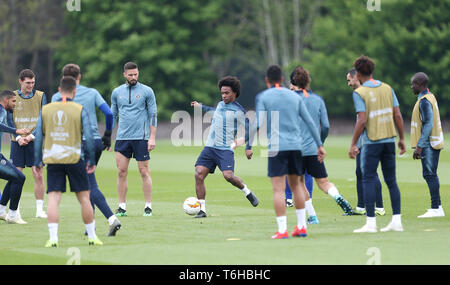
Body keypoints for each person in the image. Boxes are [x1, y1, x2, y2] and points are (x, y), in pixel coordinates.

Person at [248, 65, 326, 239]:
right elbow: (311, 123)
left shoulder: (263, 96)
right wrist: (319, 145)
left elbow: (258, 122)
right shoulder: (293, 96)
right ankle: (301, 227)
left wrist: (248, 144)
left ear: (267, 80)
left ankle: (282, 230)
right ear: (283, 80)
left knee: (278, 190)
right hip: (296, 147)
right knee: (298, 185)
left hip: (277, 148)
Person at [52, 63, 121, 236]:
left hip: (76, 144)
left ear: (63, 78)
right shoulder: (92, 92)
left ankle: (112, 219)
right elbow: (109, 114)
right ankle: (90, 224)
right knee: (87, 183)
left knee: (88, 184)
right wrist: (107, 134)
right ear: (79, 77)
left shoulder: (56, 96)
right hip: (96, 141)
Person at [34, 76, 103, 247]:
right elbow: (88, 133)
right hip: (74, 159)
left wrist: (37, 161)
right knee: (84, 198)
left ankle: (53, 238)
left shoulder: (46, 109)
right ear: (74, 91)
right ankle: (92, 237)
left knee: (53, 199)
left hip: (53, 160)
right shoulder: (79, 109)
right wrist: (91, 159)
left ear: (59, 90)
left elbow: (37, 137)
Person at [287, 66, 353, 224]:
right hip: (313, 148)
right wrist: (320, 143)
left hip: (295, 149)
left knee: (299, 183)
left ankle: (313, 217)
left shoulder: (290, 100)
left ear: (292, 82)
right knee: (323, 182)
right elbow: (326, 126)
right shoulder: (318, 100)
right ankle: (336, 196)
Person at [349, 56, 406, 233]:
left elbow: (362, 120)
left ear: (357, 73)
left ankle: (371, 223)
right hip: (390, 140)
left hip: (372, 142)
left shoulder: (360, 93)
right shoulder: (387, 88)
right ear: (372, 70)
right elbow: (397, 115)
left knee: (367, 178)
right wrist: (402, 138)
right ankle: (397, 221)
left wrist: (353, 143)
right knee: (391, 181)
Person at [191, 76, 259, 219]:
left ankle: (246, 191)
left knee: (228, 176)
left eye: (227, 93)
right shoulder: (221, 105)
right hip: (210, 147)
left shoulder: (239, 111)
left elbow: (251, 129)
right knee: (199, 174)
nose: (224, 96)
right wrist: (200, 107)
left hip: (225, 149)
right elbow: (213, 110)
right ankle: (202, 210)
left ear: (234, 93)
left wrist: (248, 147)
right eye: (222, 93)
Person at [111, 62, 157, 217]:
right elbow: (113, 115)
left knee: (144, 171)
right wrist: (108, 137)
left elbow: (153, 115)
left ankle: (148, 206)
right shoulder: (117, 92)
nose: (133, 77)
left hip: (141, 138)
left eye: (135, 74)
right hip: (122, 138)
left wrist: (152, 137)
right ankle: (122, 207)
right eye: (130, 75)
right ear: (124, 74)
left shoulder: (147, 91)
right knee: (121, 172)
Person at [8, 69, 47, 218]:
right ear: (20, 81)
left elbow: (43, 119)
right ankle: (15, 209)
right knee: (16, 175)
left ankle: (39, 210)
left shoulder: (41, 96)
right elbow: (8, 120)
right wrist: (18, 137)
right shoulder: (12, 96)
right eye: (28, 82)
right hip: (16, 140)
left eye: (33, 82)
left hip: (34, 140)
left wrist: (30, 137)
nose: (31, 85)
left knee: (38, 174)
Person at [347, 68, 385, 216]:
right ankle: (361, 206)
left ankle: (379, 207)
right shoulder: (360, 93)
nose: (349, 83)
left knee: (370, 172)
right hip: (366, 138)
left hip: (369, 139)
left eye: (349, 80)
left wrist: (356, 143)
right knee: (359, 171)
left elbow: (364, 120)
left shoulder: (364, 93)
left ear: (356, 77)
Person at [410, 72, 445, 218]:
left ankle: (435, 208)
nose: (411, 87)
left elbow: (428, 124)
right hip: (434, 141)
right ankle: (437, 207)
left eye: (413, 84)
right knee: (430, 174)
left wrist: (419, 146)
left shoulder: (424, 101)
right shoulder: (430, 97)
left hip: (429, 143)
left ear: (419, 84)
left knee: (429, 174)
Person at [0, 90, 29, 224]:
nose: (15, 104)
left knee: (15, 177)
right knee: (19, 177)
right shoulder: (0, 110)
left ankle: (1, 211)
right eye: (13, 101)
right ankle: (12, 215)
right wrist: (15, 131)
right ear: (5, 100)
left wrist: (17, 136)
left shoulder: (5, 112)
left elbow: (9, 124)